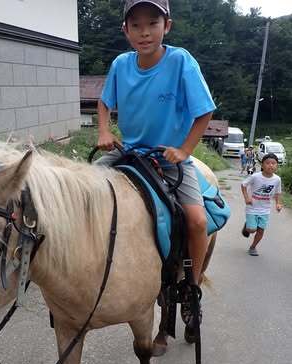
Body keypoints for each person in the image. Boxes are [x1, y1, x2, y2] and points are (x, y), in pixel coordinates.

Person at [96, 0, 216, 326]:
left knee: (196, 221)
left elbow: (204, 111)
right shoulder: (121, 64)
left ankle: (191, 288)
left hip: (168, 155)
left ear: (167, 26)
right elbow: (105, 102)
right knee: (82, 190)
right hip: (131, 151)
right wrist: (104, 130)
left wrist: (184, 150)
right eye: (135, 25)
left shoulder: (180, 61)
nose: (144, 32)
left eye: (152, 23)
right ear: (125, 30)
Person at [241, 153, 283, 256]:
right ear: (262, 165)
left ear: (277, 165)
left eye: (273, 163)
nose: (271, 165)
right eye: (267, 163)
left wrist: (278, 203)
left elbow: (278, 192)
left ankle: (253, 247)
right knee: (252, 229)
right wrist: (247, 198)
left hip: (265, 209)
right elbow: (243, 185)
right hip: (252, 207)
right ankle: (247, 226)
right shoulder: (255, 176)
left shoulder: (277, 179)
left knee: (260, 230)